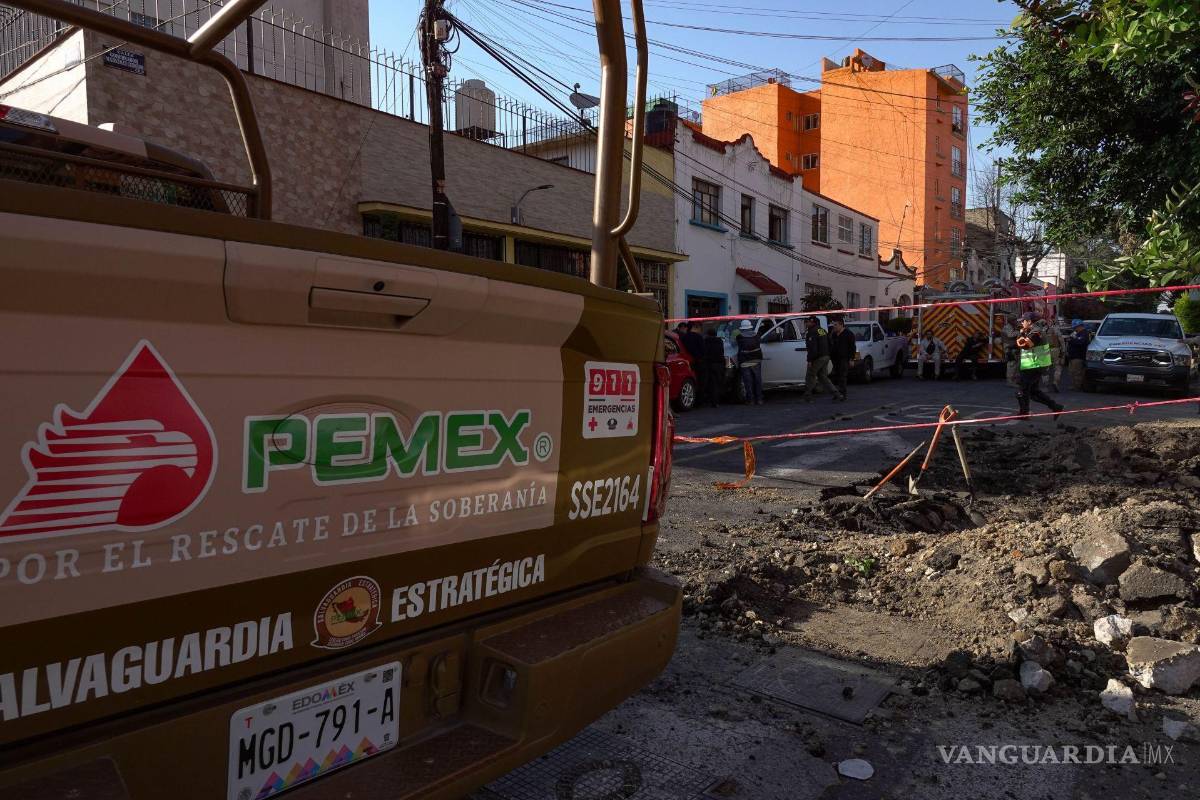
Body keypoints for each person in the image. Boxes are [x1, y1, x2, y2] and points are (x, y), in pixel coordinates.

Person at [1015, 312, 1064, 418]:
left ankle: (1024, 413)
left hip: (1034, 366)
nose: (1021, 323)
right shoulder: (1032, 331)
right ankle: (1055, 406)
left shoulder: (1036, 333)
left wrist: (1021, 334)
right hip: (1033, 365)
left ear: (1029, 322)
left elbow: (1024, 345)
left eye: (1023, 321)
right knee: (1033, 392)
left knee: (1022, 391)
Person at [801, 316, 843, 401]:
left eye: (808, 322)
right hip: (825, 356)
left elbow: (812, 348)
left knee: (810, 375)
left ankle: (807, 396)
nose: (806, 323)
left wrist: (810, 360)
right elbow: (830, 343)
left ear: (813, 323)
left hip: (818, 357)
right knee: (823, 377)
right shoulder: (822, 330)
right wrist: (828, 355)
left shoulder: (812, 332)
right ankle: (837, 394)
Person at [735, 319, 765, 405]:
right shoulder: (756, 335)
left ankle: (750, 400)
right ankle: (759, 399)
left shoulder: (739, 337)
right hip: (756, 360)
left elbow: (735, 345)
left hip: (745, 361)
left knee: (748, 382)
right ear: (750, 327)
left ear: (742, 328)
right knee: (757, 380)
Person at [828, 317, 856, 401]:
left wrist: (851, 359)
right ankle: (836, 393)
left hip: (844, 358)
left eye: (836, 325)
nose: (834, 327)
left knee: (842, 376)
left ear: (841, 325)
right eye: (834, 325)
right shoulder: (834, 334)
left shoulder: (848, 334)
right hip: (835, 358)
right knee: (835, 376)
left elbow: (852, 347)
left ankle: (843, 394)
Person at [702, 326, 727, 407]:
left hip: (710, 364)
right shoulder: (720, 341)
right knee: (718, 382)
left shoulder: (706, 341)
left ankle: (712, 401)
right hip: (719, 363)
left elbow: (705, 352)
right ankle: (717, 401)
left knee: (711, 383)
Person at [1042, 320, 1065, 393]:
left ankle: (1045, 386)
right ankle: (1055, 382)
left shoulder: (1043, 330)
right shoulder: (1056, 330)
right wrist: (1063, 351)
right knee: (1057, 367)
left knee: (1045, 369)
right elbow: (1061, 341)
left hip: (1045, 350)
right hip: (1055, 349)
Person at [1066, 320, 1089, 391]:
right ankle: (1074, 385)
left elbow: (1081, 343)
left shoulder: (1084, 333)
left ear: (1080, 326)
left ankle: (1077, 386)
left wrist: (1072, 340)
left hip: (1078, 356)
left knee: (1077, 372)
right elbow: (1070, 339)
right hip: (1072, 356)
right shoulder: (1076, 333)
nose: (1074, 329)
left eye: (1075, 327)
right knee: (1072, 372)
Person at [1001, 316, 1020, 387]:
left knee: (1015, 364)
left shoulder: (1012, 327)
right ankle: (1010, 381)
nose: (1016, 322)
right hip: (1009, 348)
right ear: (1011, 321)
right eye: (1015, 320)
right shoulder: (1007, 327)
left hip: (1013, 347)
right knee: (1011, 364)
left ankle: (1014, 380)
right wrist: (1019, 332)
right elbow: (1010, 335)